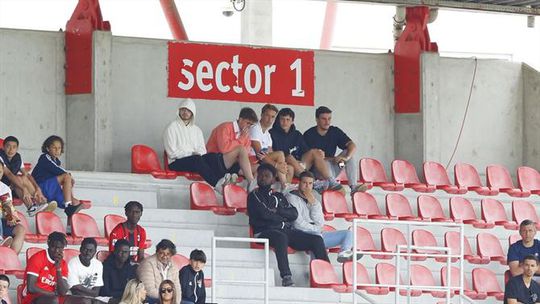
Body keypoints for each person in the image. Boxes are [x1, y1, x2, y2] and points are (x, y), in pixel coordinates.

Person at [247, 163, 329, 287]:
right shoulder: (254, 196)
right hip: (263, 232)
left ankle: (326, 276)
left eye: (267, 176)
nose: (263, 178)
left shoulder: (278, 196)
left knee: (316, 239)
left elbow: (293, 214)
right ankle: (286, 277)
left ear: (273, 179)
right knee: (281, 237)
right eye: (260, 175)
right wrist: (282, 215)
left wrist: (278, 211)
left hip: (284, 230)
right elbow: (265, 215)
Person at [163, 99, 235, 192]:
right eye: (183, 109)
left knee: (212, 156)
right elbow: (171, 153)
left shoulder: (197, 130)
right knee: (196, 159)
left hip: (194, 161)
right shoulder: (171, 127)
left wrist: (195, 154)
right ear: (179, 110)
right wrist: (191, 153)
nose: (185, 112)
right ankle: (217, 184)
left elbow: (203, 151)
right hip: (175, 163)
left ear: (192, 113)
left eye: (188, 110)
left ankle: (224, 178)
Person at [286, 171, 357, 262]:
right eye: (304, 183)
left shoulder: (313, 198)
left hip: (317, 233)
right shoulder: (291, 197)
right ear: (299, 183)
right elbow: (297, 224)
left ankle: (344, 252)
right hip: (300, 234)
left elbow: (320, 222)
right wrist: (317, 229)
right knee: (317, 238)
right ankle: (317, 270)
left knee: (348, 233)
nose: (307, 186)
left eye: (310, 183)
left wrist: (313, 204)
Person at [269, 108, 343, 194]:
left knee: (315, 152)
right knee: (289, 157)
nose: (285, 122)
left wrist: (317, 154)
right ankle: (313, 182)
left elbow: (306, 151)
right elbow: (279, 154)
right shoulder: (272, 133)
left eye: (288, 119)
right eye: (282, 119)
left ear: (292, 121)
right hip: (284, 166)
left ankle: (331, 180)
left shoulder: (297, 134)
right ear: (278, 120)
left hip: (299, 165)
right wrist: (295, 162)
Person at [303, 106, 367, 194]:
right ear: (317, 119)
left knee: (347, 154)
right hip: (318, 172)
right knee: (325, 163)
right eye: (324, 119)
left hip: (335, 168)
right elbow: (310, 160)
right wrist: (333, 159)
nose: (327, 122)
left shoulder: (335, 131)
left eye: (329, 119)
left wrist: (345, 158)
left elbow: (352, 145)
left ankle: (353, 186)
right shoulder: (309, 135)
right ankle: (331, 183)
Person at [0, 136, 56, 216]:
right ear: (3, 147)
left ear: (17, 148)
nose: (11, 150)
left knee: (22, 178)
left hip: (12, 187)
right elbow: (9, 174)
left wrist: (37, 188)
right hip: (4, 187)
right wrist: (24, 189)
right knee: (18, 180)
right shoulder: (0, 156)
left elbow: (27, 174)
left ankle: (41, 201)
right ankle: (31, 207)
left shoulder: (17, 158)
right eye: (8, 146)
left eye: (14, 147)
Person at [206, 107, 258, 191]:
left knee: (260, 167)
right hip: (214, 160)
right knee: (241, 149)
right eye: (248, 123)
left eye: (251, 125)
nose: (249, 126)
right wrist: (241, 139)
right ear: (240, 119)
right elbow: (224, 148)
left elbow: (246, 154)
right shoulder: (225, 127)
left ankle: (253, 190)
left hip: (231, 164)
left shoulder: (246, 135)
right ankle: (251, 181)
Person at [31, 135, 83, 217]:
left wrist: (71, 197)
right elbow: (56, 169)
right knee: (66, 177)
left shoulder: (57, 161)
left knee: (75, 203)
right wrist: (69, 176)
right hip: (41, 188)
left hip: (51, 189)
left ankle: (69, 227)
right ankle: (68, 206)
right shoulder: (44, 157)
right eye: (54, 148)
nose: (57, 150)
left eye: (59, 148)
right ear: (48, 149)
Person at [249, 104, 292, 190]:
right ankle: (284, 185)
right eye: (267, 115)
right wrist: (276, 166)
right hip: (252, 161)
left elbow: (270, 154)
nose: (269, 119)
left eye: (272, 117)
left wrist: (279, 166)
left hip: (262, 161)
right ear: (261, 115)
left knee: (290, 168)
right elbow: (259, 154)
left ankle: (284, 193)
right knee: (280, 154)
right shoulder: (255, 128)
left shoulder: (268, 134)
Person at [23, 232, 71, 304]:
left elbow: (63, 292)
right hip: (33, 297)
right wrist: (52, 294)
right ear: (48, 244)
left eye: (60, 248)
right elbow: (31, 288)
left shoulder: (63, 263)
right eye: (54, 247)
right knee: (54, 301)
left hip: (53, 298)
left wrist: (58, 269)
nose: (56, 251)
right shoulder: (37, 258)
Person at [137, 239, 180, 303]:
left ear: (172, 255)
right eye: (162, 253)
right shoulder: (147, 263)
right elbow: (149, 290)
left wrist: (176, 302)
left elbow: (177, 288)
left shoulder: (174, 266)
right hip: (150, 298)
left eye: (168, 254)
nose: (165, 256)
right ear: (157, 252)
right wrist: (167, 297)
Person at [67, 237, 109, 303]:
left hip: (92, 298)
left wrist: (80, 288)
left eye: (91, 251)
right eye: (85, 249)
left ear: (95, 252)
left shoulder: (98, 264)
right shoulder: (72, 263)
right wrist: (90, 294)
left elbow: (96, 293)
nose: (87, 253)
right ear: (80, 249)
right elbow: (75, 291)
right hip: (74, 298)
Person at [100, 239, 138, 304]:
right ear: (115, 251)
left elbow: (133, 289)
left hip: (125, 299)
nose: (123, 254)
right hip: (108, 299)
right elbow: (106, 292)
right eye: (120, 251)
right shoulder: (105, 267)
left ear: (129, 253)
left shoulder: (131, 268)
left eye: (126, 252)